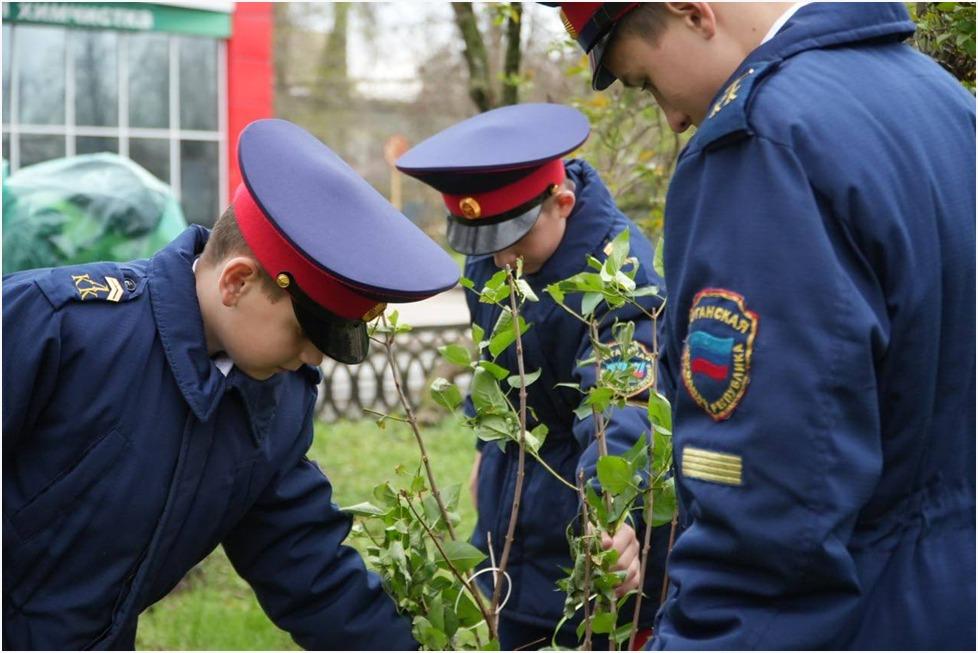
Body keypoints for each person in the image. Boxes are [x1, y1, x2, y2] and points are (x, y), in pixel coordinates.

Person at [547, 2, 977, 649]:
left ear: (690, 11)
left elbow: (769, 533)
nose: (672, 117)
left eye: (646, 83)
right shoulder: (941, 99)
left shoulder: (763, 146)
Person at [2, 118, 460, 650]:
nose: (314, 354)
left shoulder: (278, 400)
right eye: (304, 330)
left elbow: (305, 565)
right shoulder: (56, 327)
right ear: (236, 281)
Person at [396, 103, 672, 650]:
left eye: (512, 243)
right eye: (485, 246)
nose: (499, 262)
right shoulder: (497, 255)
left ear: (562, 203)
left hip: (590, 526)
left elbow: (620, 406)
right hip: (511, 521)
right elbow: (493, 367)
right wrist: (484, 444)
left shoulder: (618, 275)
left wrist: (609, 513)